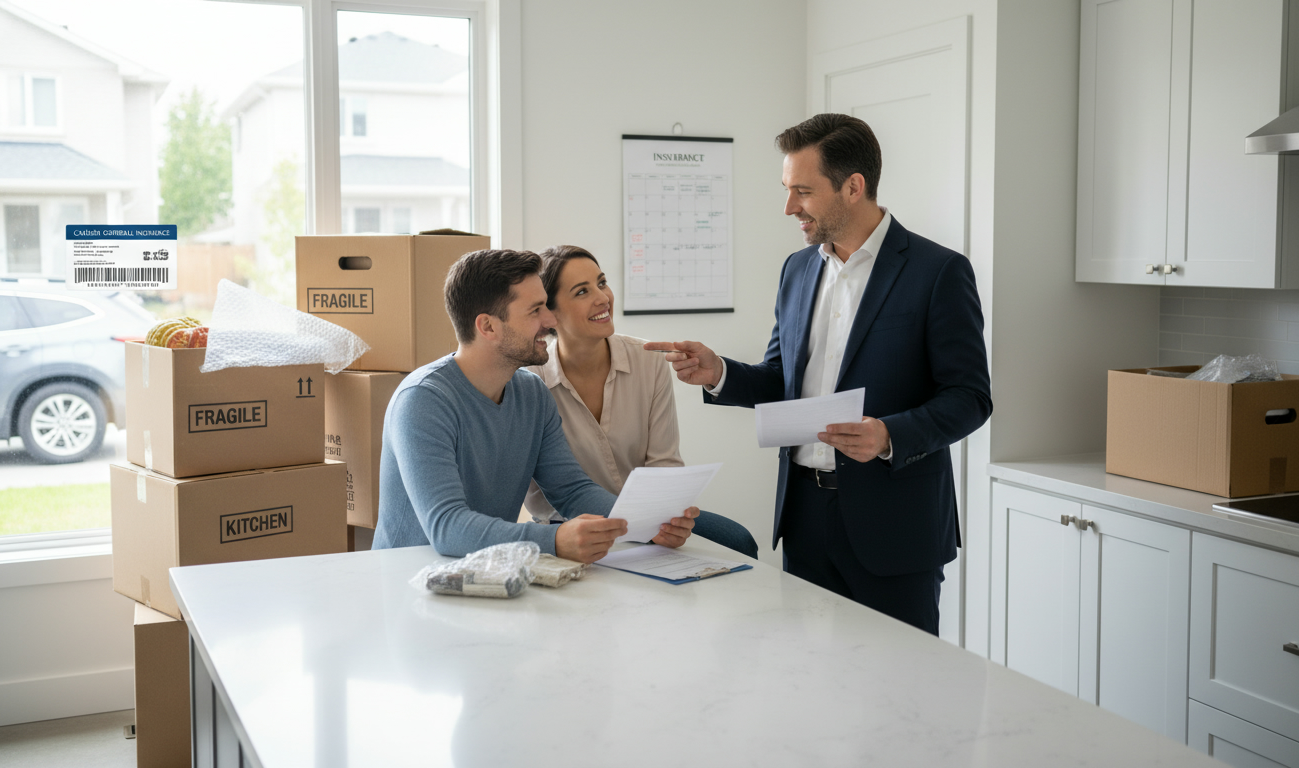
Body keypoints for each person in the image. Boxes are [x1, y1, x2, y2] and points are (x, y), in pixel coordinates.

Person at [646, 114, 992, 634]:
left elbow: (969, 397)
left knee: (901, 691)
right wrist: (719, 373)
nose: (790, 208)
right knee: (809, 686)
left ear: (854, 187)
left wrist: (888, 435)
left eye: (803, 192)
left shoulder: (938, 271)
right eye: (788, 190)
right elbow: (781, 379)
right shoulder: (797, 269)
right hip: (804, 516)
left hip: (895, 525)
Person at [371, 248, 698, 563]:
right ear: (488, 327)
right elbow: (447, 527)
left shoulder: (532, 392)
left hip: (490, 574)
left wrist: (648, 523)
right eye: (535, 310)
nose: (550, 319)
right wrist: (554, 541)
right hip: (413, 586)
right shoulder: (422, 400)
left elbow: (571, 491)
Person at [522, 245, 759, 560]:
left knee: (738, 541)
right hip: (569, 524)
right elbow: (548, 492)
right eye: (582, 292)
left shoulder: (647, 360)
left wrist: (665, 519)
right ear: (550, 313)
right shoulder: (529, 381)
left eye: (602, 282)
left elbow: (664, 461)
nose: (603, 297)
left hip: (651, 517)